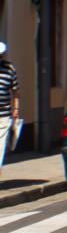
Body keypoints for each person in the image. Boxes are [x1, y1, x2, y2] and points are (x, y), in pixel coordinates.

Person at [0, 42, 20, 175]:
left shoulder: (10, 69)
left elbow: (15, 91)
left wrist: (16, 110)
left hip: (4, 115)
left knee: (0, 146)